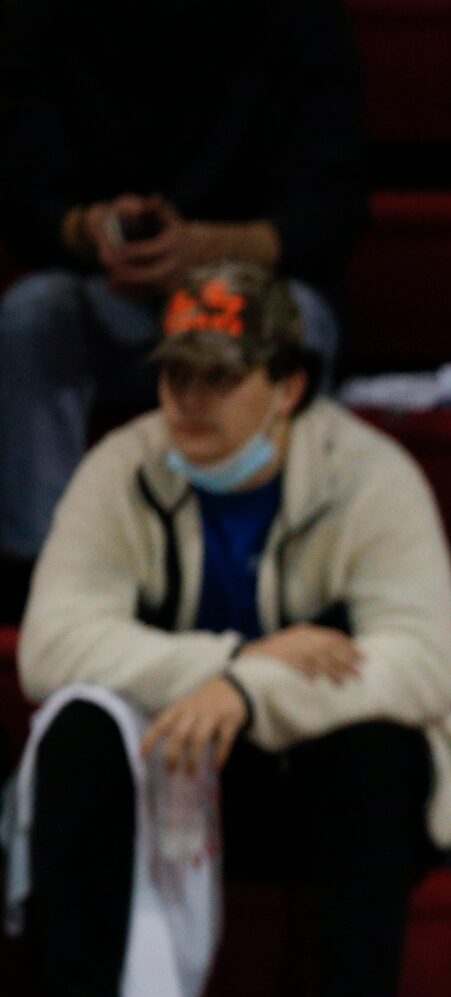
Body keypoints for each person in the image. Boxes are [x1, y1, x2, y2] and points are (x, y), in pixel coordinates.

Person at [1, 265, 451, 997]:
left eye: (220, 378)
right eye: (175, 373)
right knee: (79, 719)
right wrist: (237, 665)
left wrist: (255, 698)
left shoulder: (372, 475)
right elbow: (50, 645)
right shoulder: (122, 468)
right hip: (168, 767)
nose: (189, 398)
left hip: (301, 791)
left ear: (289, 385)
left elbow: (425, 662)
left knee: (377, 740)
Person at [0, 0, 367, 611]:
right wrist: (88, 229)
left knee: (294, 316)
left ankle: (273, 585)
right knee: (30, 315)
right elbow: (22, 194)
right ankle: (44, 591)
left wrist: (212, 249)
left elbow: (334, 210)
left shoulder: (299, 19)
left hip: (253, 286)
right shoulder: (49, 14)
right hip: (106, 289)